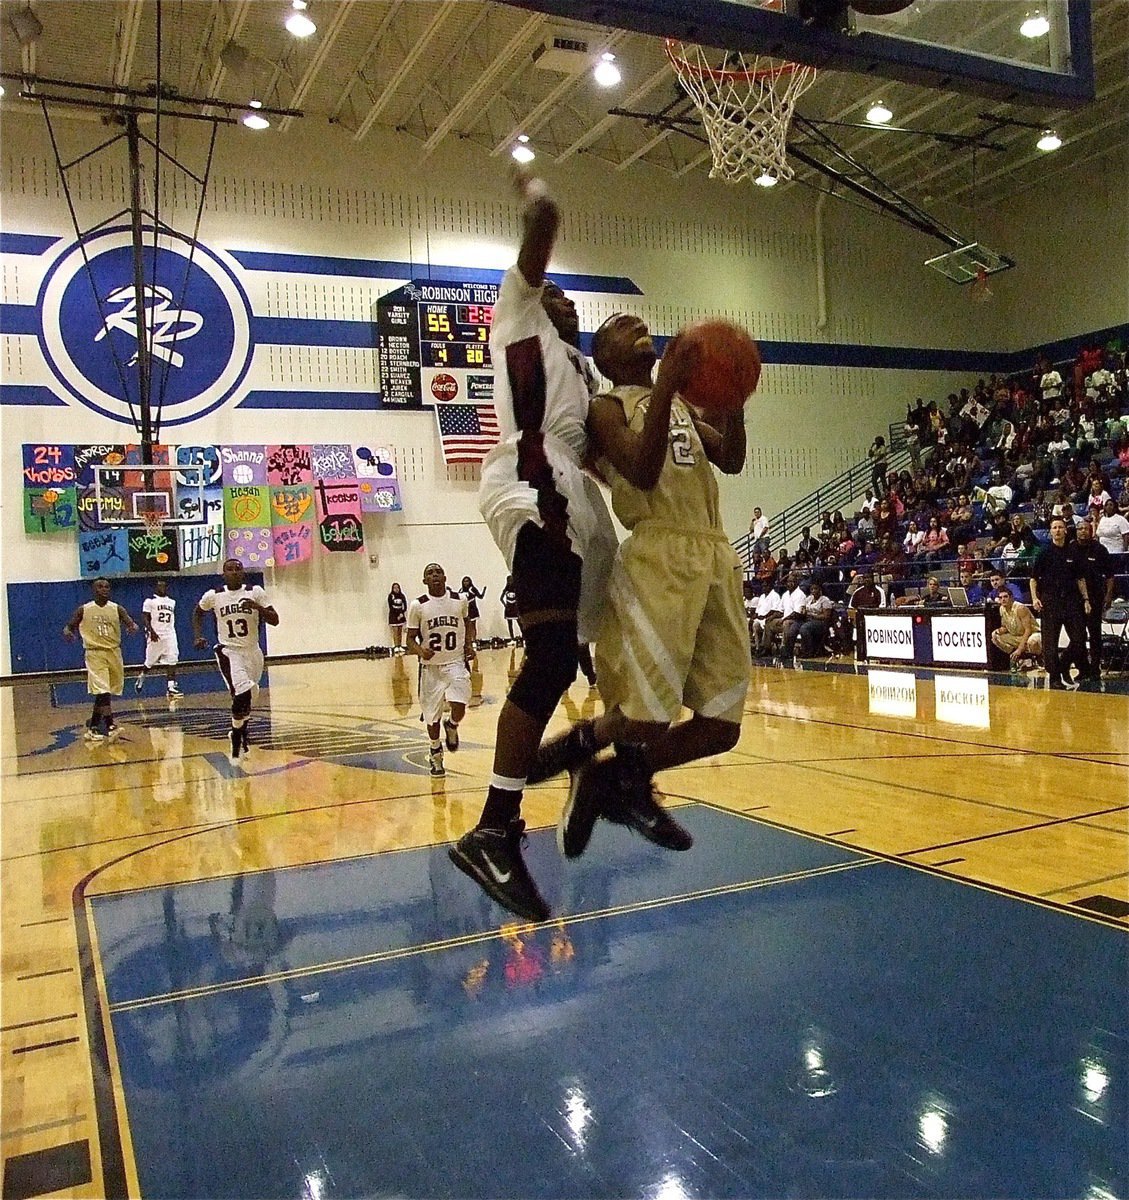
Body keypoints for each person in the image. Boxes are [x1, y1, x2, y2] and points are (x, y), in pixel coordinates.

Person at [448, 170, 617, 923]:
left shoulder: (580, 377)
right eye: (554, 291)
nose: (563, 298)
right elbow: (544, 217)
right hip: (530, 484)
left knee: (604, 657)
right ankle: (493, 826)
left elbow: (616, 468)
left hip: (579, 508)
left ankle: (593, 765)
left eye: (571, 298)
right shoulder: (517, 315)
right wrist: (531, 185)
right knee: (549, 658)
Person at [528, 307, 751, 865]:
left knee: (722, 726)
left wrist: (734, 402)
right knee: (647, 717)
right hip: (658, 554)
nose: (638, 326)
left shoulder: (677, 406)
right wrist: (671, 382)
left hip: (714, 552)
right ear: (605, 356)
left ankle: (610, 782)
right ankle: (578, 747)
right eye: (622, 326)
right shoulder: (606, 408)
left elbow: (731, 457)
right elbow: (642, 470)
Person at [193, 559, 279, 762]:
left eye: (238, 569)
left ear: (243, 573)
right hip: (229, 651)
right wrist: (197, 635)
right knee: (242, 693)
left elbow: (275, 620)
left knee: (247, 699)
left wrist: (258, 607)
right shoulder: (214, 595)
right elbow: (198, 612)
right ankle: (237, 739)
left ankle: (238, 733)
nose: (234, 572)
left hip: (253, 651)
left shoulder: (255, 591)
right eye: (229, 569)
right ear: (223, 574)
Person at [406, 563, 472, 777]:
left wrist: (469, 645)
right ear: (425, 581)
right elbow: (409, 639)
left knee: (460, 706)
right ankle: (435, 752)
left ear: (444, 576)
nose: (434, 575)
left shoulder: (460, 600)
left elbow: (468, 623)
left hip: (455, 662)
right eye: (429, 573)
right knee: (431, 717)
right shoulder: (418, 605)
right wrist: (419, 650)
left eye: (438, 572)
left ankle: (452, 725)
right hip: (430, 668)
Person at [63, 577, 139, 742]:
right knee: (102, 688)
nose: (104, 589)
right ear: (93, 589)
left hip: (114, 652)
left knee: (105, 691)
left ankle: (93, 728)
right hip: (95, 652)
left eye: (106, 586)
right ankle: (111, 726)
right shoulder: (84, 609)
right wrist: (68, 631)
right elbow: (69, 626)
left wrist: (133, 627)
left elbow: (130, 623)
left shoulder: (117, 608)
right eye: (100, 586)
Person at [1029, 517, 1092, 690]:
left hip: (1072, 600)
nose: (1057, 530)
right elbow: (1033, 579)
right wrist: (1035, 598)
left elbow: (1080, 578)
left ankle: (1064, 664)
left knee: (1079, 638)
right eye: (1054, 527)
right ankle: (1055, 678)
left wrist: (1086, 599)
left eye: (1060, 527)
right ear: (1050, 531)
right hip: (1050, 601)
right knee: (1050, 644)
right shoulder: (1044, 552)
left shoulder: (1073, 552)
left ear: (1065, 530)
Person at [1075, 521, 1114, 680]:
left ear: (1091, 531)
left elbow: (1110, 576)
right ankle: (1083, 668)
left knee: (1094, 634)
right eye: (1080, 529)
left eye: (1086, 528)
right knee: (1078, 636)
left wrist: (1109, 595)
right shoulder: (1071, 549)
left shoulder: (1099, 549)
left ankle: (1095, 669)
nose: (1083, 531)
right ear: (1076, 531)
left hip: (1096, 597)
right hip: (1076, 599)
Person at [135, 578, 181, 698]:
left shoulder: (172, 602)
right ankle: (142, 676)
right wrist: (151, 631)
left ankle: (171, 687)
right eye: (159, 586)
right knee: (150, 662)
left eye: (164, 586)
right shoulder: (149, 601)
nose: (162, 588)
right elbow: (145, 617)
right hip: (156, 634)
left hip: (170, 634)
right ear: (155, 588)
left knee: (173, 659)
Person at [991, 589, 1043, 669]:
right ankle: (1018, 658)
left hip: (1032, 634)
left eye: (1005, 597)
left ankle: (1039, 658)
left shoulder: (1020, 608)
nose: (1003, 599)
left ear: (1011, 598)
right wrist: (998, 631)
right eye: (1000, 598)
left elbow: (1028, 630)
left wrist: (1019, 649)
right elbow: (1005, 627)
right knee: (995, 637)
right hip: (1017, 636)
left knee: (1033, 641)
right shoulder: (1001, 609)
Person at [457, 576, 486, 650]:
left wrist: (484, 590)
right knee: (465, 626)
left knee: (473, 625)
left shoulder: (472, 589)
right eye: (464, 581)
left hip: (472, 609)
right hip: (465, 610)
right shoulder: (460, 590)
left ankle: (474, 640)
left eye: (467, 581)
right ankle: (467, 641)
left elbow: (480, 596)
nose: (466, 583)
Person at [387, 582, 408, 651]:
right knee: (395, 631)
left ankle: (400, 645)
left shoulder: (402, 596)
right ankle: (396, 646)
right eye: (394, 588)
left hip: (401, 615)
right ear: (392, 589)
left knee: (400, 631)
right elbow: (391, 607)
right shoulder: (391, 596)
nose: (396, 589)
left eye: (397, 587)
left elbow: (405, 605)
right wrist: (397, 615)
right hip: (393, 616)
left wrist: (402, 613)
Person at [500, 575, 520, 642]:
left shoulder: (516, 589)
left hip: (515, 609)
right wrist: (505, 605)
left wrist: (517, 605)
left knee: (520, 623)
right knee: (510, 624)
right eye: (509, 580)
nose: (510, 582)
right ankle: (512, 638)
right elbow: (501, 598)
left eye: (511, 580)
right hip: (508, 609)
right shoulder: (506, 589)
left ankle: (524, 637)